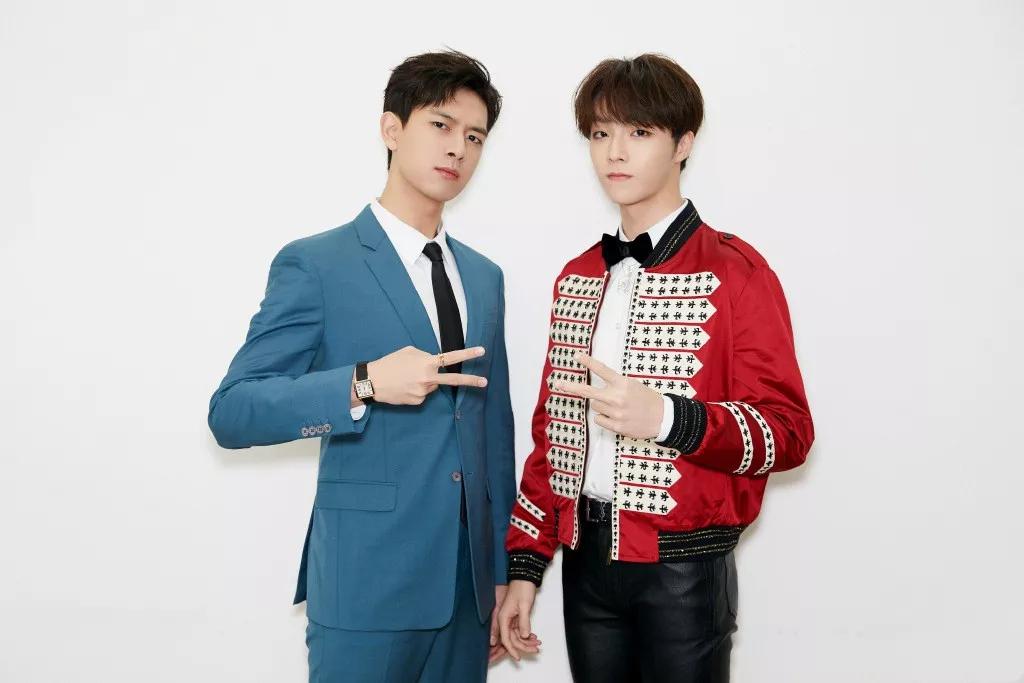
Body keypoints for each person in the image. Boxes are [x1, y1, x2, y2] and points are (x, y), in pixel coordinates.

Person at [498, 53, 814, 682]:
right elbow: (552, 436)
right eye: (601, 133)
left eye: (639, 132)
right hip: (585, 566)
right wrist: (525, 567)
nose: (615, 152)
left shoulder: (737, 272)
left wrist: (669, 419)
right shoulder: (578, 275)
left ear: (683, 144)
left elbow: (789, 433)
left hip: (683, 575)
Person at [208, 49, 521, 683]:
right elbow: (233, 411)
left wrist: (502, 573)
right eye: (440, 125)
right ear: (391, 129)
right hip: (366, 587)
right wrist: (365, 382)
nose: (457, 148)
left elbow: (494, 433)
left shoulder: (484, 277)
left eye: (474, 137)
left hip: (466, 596)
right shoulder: (317, 263)